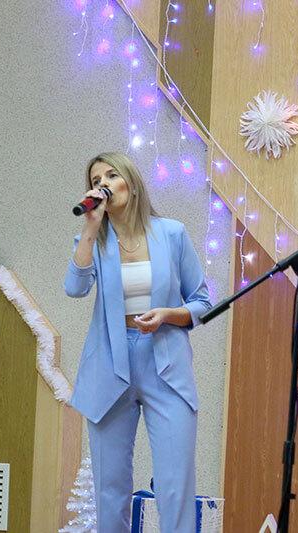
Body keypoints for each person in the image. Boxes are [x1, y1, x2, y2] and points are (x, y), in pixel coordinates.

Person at [64, 152, 212, 532]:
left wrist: (167, 315)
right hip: (109, 367)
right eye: (95, 179)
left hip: (165, 365)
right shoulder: (94, 240)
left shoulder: (172, 234)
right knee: (110, 489)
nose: (103, 183)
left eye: (111, 175)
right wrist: (90, 228)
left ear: (131, 182)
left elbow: (202, 302)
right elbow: (74, 288)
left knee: (174, 488)